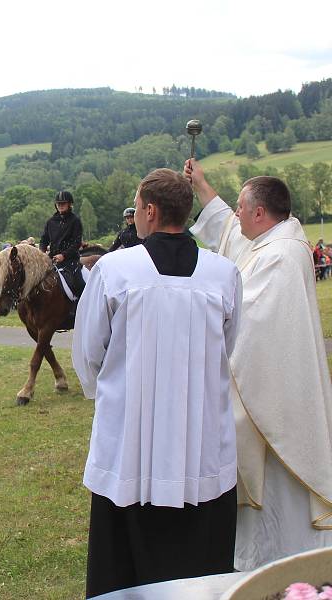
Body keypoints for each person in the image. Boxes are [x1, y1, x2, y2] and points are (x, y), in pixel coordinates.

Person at [72, 168, 241, 597]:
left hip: (132, 442)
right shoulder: (222, 274)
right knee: (200, 567)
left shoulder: (115, 270)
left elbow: (89, 353)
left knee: (123, 572)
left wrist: (114, 395)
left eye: (136, 204)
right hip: (200, 441)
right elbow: (229, 346)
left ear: (150, 210)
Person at [186, 158, 332, 571]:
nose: (235, 215)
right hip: (271, 397)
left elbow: (250, 325)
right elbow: (229, 232)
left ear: (260, 214)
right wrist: (200, 184)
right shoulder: (268, 242)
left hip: (279, 404)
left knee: (282, 502)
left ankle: (289, 565)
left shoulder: (282, 256)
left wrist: (199, 327)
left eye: (241, 208)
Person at [39, 190, 84, 311]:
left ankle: (80, 310)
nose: (60, 205)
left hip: (70, 260)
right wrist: (42, 252)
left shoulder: (75, 221)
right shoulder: (50, 222)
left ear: (70, 204)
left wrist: (64, 255)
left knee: (80, 284)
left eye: (63, 203)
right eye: (58, 203)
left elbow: (76, 243)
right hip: (52, 259)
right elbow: (44, 239)